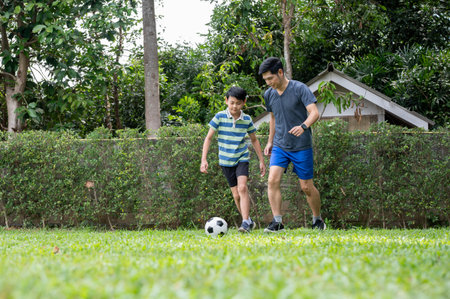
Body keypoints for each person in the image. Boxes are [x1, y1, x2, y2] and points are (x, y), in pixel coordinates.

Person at [258, 57, 326, 232]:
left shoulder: (299, 89)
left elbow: (314, 113)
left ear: (280, 72)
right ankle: (277, 222)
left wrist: (304, 126)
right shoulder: (269, 94)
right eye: (265, 80)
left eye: (270, 78)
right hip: (280, 145)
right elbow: (273, 117)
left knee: (306, 187)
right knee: (272, 180)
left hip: (301, 146)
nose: (268, 83)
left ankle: (317, 220)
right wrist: (270, 141)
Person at [200, 86, 266, 233]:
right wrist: (203, 160)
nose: (234, 106)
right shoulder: (219, 117)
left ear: (244, 102)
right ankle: (248, 220)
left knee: (242, 188)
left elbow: (254, 140)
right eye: (232, 103)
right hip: (225, 161)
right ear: (226, 101)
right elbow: (209, 137)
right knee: (236, 195)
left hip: (242, 157)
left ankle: (244, 223)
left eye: (238, 103)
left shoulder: (247, 120)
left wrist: (261, 160)